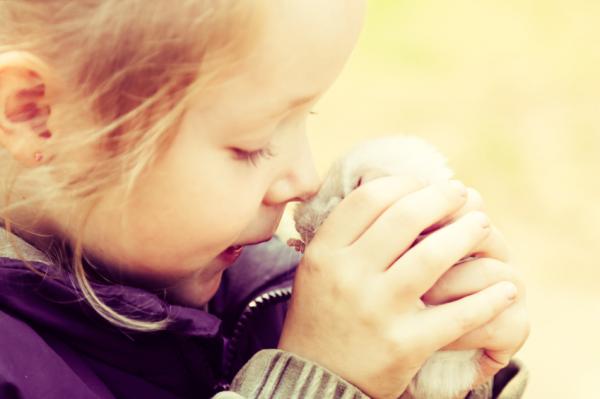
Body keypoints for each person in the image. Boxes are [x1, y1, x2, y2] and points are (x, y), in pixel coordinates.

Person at [0, 1, 529, 398]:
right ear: (37, 114)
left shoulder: (259, 284)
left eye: (306, 117)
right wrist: (316, 381)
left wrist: (427, 368)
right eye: (251, 144)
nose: (304, 178)